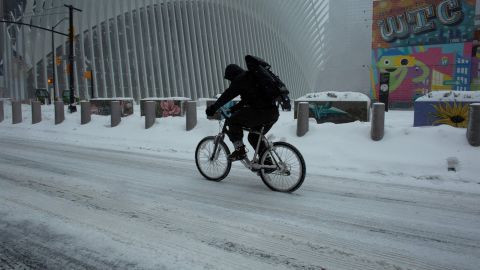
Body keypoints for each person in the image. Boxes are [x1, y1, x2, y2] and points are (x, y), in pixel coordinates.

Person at [205, 63, 280, 161]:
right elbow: (247, 100)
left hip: (261, 112)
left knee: (233, 121)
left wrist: (213, 108)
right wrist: (234, 108)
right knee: (253, 136)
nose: (231, 81)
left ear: (232, 75)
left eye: (230, 79)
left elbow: (227, 95)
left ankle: (240, 151)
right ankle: (267, 161)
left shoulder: (240, 79)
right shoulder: (252, 79)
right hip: (272, 113)